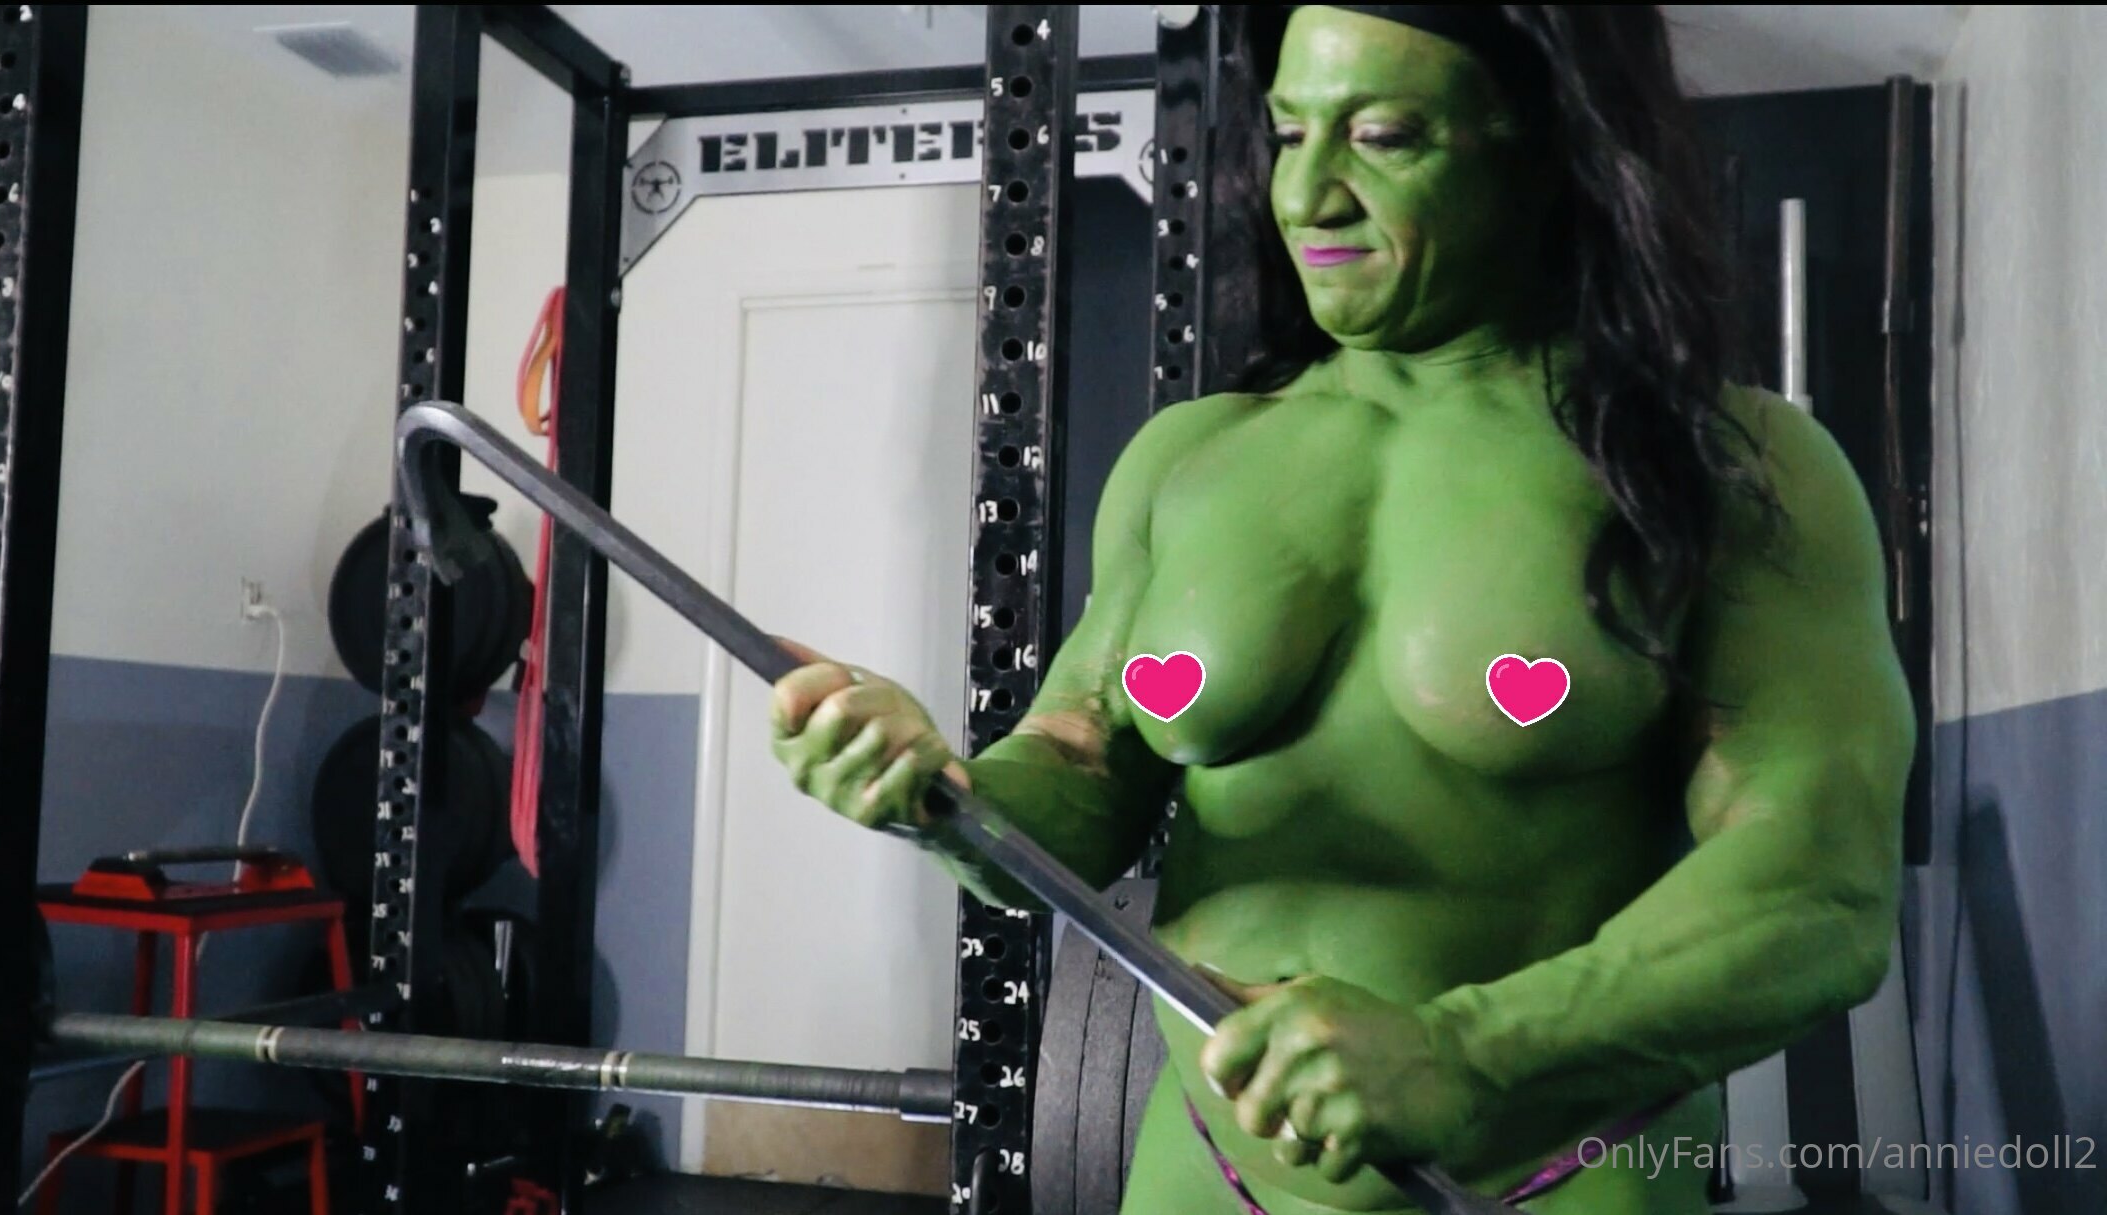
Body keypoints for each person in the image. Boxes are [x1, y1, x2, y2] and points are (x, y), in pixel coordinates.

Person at [768, 6, 1914, 1212]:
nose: (1308, 195)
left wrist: (1465, 1054)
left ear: (1548, 147)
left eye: (1382, 137)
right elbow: (1082, 774)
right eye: (1290, 134)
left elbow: (1818, 886)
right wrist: (944, 796)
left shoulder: (1728, 468)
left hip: (1545, 1178)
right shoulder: (1191, 459)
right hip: (1203, 1171)